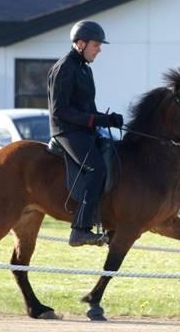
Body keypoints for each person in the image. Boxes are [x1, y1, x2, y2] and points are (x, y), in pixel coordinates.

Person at [47, 20, 124, 247]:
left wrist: (107, 119)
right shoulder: (64, 68)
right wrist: (94, 119)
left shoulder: (84, 69)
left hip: (83, 129)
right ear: (80, 44)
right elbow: (60, 110)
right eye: (96, 45)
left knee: (113, 153)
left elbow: (87, 108)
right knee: (96, 167)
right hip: (66, 131)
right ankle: (80, 230)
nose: (99, 50)